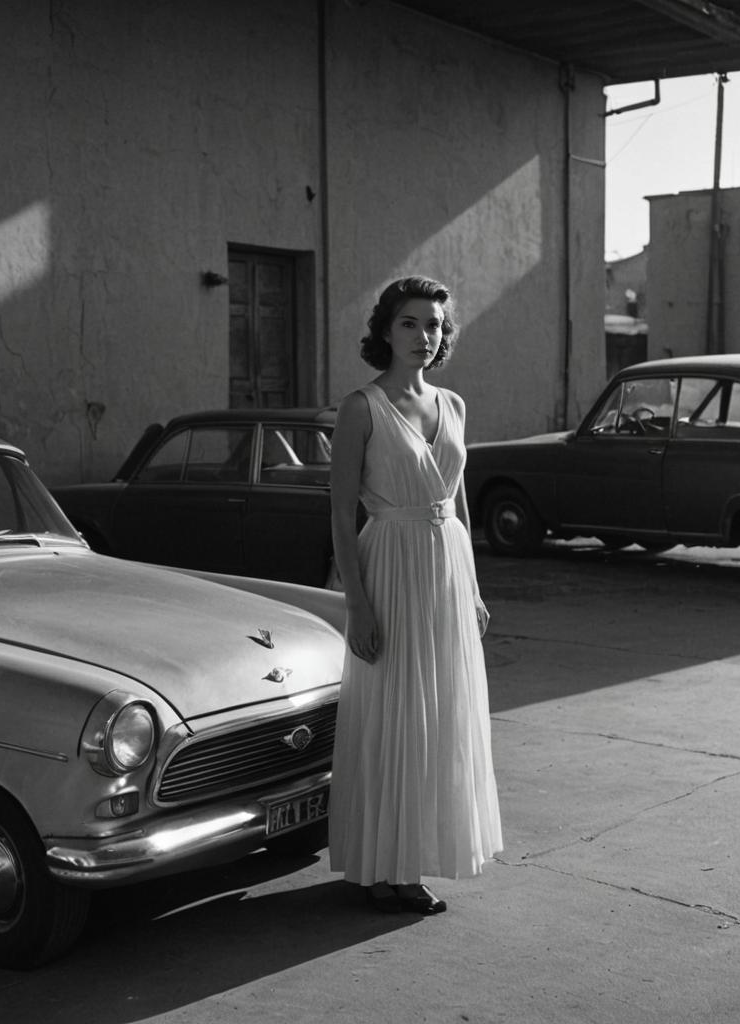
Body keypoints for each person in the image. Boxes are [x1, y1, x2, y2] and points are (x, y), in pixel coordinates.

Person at [328, 275, 503, 915]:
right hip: (389, 565)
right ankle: (383, 867)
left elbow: (456, 502)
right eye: (409, 323)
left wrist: (475, 591)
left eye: (433, 325)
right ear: (384, 330)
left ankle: (415, 859)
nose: (423, 336)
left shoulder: (454, 406)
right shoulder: (361, 408)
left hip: (447, 570)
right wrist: (357, 603)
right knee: (393, 714)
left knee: (439, 716)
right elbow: (341, 513)